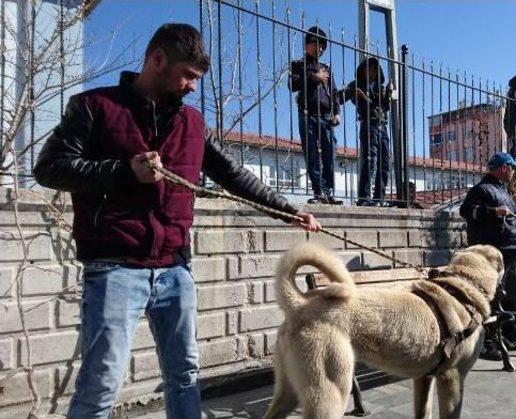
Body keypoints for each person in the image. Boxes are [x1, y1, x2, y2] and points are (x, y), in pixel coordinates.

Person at [33, 23, 320, 419]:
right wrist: (123, 171)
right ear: (157, 60)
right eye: (187, 75)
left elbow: (233, 175)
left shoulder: (193, 123)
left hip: (175, 269)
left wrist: (288, 210)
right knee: (102, 384)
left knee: (185, 375)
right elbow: (49, 168)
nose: (192, 87)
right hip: (114, 267)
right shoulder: (94, 106)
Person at [459, 152, 516, 360]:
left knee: (511, 295)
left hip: (510, 251)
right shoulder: (481, 189)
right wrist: (493, 211)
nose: (513, 172)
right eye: (512, 168)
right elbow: (466, 211)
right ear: (504, 168)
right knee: (493, 297)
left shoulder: (502, 190)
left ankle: (511, 336)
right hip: (493, 254)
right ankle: (487, 342)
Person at [290, 26, 342, 205]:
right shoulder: (298, 65)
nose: (319, 49)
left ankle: (328, 192)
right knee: (312, 154)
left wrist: (336, 111)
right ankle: (319, 192)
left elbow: (334, 92)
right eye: (316, 44)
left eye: (322, 46)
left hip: (326, 115)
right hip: (307, 113)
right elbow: (293, 85)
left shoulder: (326, 68)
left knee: (330, 154)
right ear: (307, 45)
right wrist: (314, 77)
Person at [339, 57, 392, 206]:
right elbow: (340, 97)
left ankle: (379, 198)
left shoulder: (380, 88)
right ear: (363, 70)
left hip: (382, 125)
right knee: (370, 160)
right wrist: (354, 94)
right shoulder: (358, 84)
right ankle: (364, 197)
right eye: (369, 68)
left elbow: (386, 107)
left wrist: (387, 92)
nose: (372, 71)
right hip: (368, 124)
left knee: (385, 162)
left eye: (374, 68)